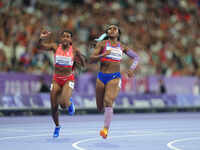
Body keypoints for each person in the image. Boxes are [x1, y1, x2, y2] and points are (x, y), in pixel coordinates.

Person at [90, 25, 139, 139]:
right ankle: (106, 117)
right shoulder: (102, 44)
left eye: (114, 28)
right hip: (101, 77)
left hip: (114, 77)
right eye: (110, 28)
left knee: (108, 101)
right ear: (107, 32)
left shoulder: (122, 46)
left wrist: (131, 69)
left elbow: (136, 57)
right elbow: (92, 59)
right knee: (99, 107)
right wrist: (103, 54)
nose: (112, 30)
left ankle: (105, 129)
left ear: (118, 33)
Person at [38, 29, 85, 138]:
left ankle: (69, 103)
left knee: (63, 104)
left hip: (68, 79)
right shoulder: (55, 47)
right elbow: (41, 47)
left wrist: (79, 59)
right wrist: (41, 38)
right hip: (56, 79)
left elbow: (83, 64)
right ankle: (57, 126)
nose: (65, 38)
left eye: (68, 36)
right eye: (63, 36)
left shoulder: (74, 50)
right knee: (54, 107)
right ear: (61, 38)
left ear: (70, 40)